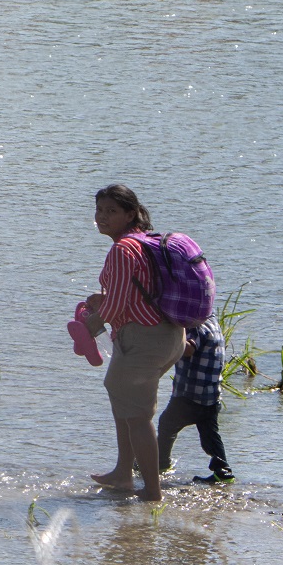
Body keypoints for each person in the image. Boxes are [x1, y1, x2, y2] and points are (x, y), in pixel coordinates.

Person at [80, 184, 186, 502]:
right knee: (119, 393)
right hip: (171, 335)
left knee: (138, 415)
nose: (102, 217)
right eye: (99, 210)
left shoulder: (123, 249)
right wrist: (101, 300)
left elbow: (120, 303)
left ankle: (152, 493)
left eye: (111, 211)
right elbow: (136, 292)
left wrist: (93, 324)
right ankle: (122, 474)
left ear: (130, 214)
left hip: (144, 339)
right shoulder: (144, 242)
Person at [159, 318, 236, 484]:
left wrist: (170, 336)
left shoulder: (194, 326)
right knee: (210, 436)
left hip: (189, 395)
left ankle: (160, 463)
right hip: (211, 395)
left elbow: (188, 349)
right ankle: (223, 470)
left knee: (166, 425)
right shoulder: (213, 322)